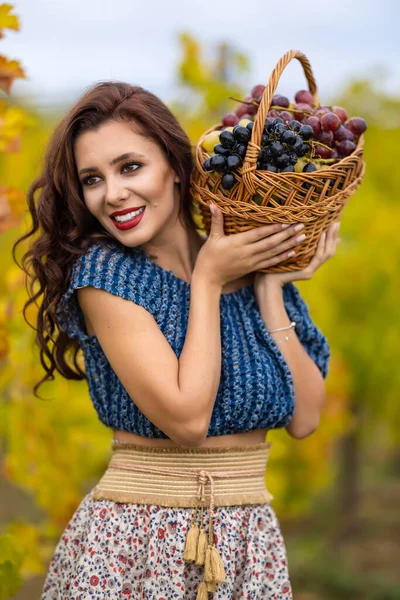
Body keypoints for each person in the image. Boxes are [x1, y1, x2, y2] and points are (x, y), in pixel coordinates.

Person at [13, 81, 338, 599]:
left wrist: (271, 288)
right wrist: (207, 282)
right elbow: (187, 421)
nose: (112, 193)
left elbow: (306, 418)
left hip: (248, 544)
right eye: (92, 179)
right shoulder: (107, 277)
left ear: (176, 166)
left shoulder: (246, 264)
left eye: (130, 167)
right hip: (139, 544)